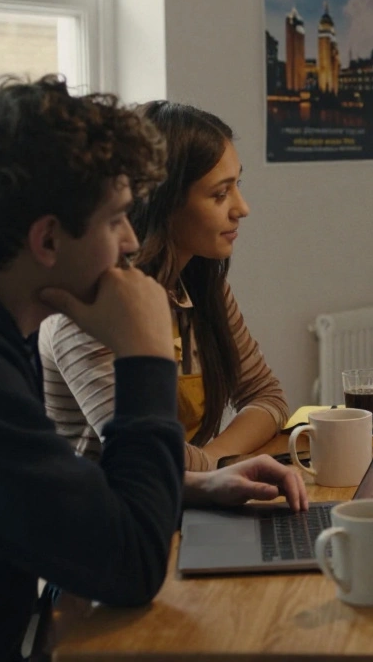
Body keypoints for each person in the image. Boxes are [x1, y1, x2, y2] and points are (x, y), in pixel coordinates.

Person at [0, 76, 306, 662]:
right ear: (47, 239)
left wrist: (192, 486)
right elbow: (134, 565)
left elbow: (48, 489)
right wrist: (145, 354)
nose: (133, 240)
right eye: (116, 219)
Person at [41, 101, 288, 473]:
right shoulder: (89, 311)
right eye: (219, 194)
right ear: (163, 202)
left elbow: (267, 397)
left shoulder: (202, 285)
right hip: (108, 519)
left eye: (237, 185)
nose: (242, 207)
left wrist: (208, 464)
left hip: (181, 501)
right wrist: (212, 470)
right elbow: (153, 458)